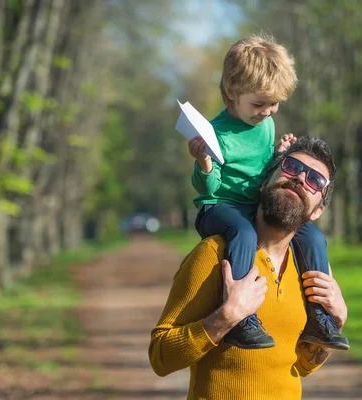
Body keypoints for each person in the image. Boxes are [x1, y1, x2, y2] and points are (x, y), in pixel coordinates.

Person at [149, 137, 348, 399]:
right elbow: (161, 358)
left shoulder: (310, 271)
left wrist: (336, 321)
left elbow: (301, 366)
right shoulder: (215, 255)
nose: (300, 178)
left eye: (315, 181)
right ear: (265, 182)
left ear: (317, 211)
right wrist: (226, 317)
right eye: (291, 166)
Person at [187, 34, 348, 350]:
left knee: (313, 237)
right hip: (221, 206)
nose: (267, 111)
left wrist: (279, 156)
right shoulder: (216, 133)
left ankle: (319, 317)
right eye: (259, 104)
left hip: (252, 204)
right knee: (244, 234)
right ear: (233, 92)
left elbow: (263, 175)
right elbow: (210, 187)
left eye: (274, 104)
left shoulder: (266, 124)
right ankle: (243, 317)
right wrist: (204, 162)